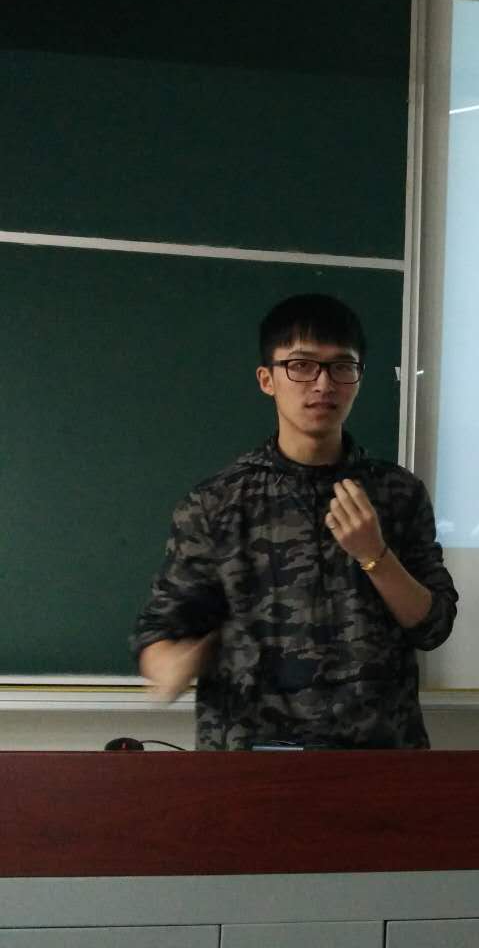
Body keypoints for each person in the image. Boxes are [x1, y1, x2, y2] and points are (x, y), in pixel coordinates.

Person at [131, 293, 458, 749]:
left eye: (341, 367)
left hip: (379, 757)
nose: (323, 384)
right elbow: (160, 633)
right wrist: (173, 663)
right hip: (252, 760)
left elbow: (433, 626)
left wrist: (375, 556)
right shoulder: (216, 503)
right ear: (267, 379)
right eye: (301, 366)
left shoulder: (397, 493)